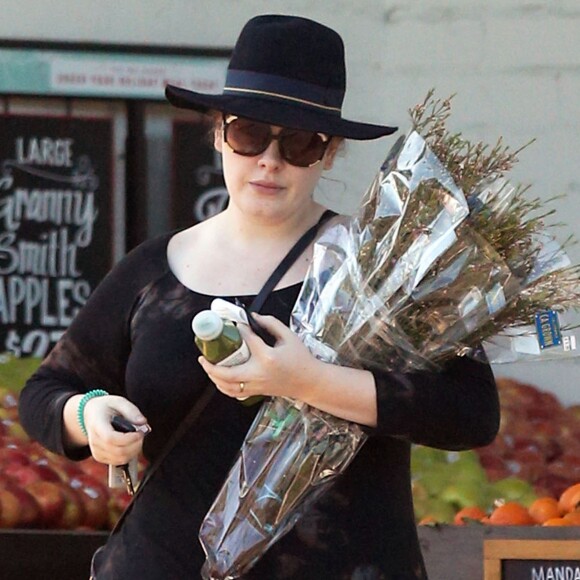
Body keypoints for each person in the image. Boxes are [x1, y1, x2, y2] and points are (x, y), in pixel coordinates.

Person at [19, 14, 499, 580]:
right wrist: (87, 415)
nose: (270, 160)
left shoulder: (381, 269)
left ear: (330, 152)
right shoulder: (153, 270)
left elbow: (470, 412)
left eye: (298, 142)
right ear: (219, 132)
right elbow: (45, 391)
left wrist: (308, 382)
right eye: (249, 133)